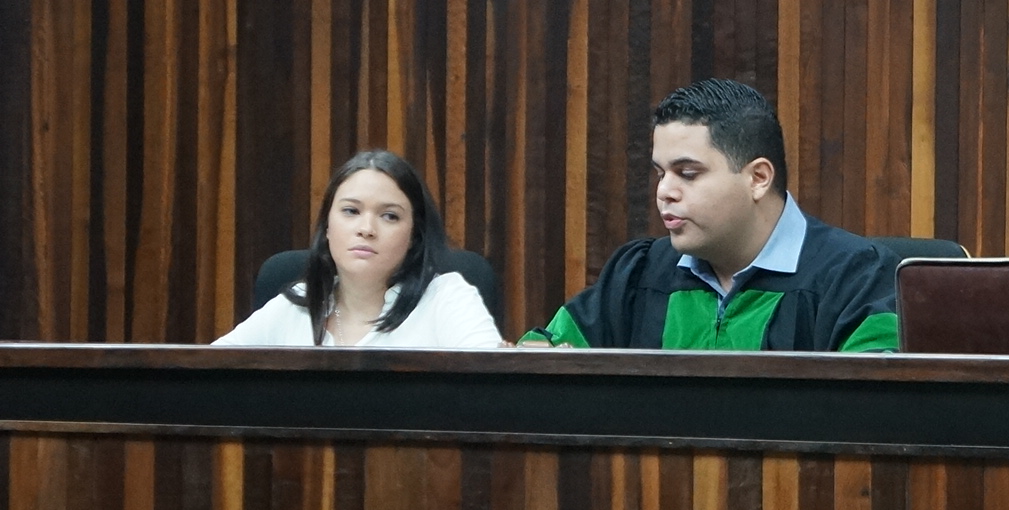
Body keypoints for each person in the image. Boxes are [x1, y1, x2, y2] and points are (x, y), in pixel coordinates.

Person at [522, 78, 899, 351]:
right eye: (660, 173)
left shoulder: (856, 280)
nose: (664, 191)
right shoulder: (638, 276)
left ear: (758, 178)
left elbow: (878, 405)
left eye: (687, 173)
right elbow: (542, 355)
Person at [218, 150, 503, 348]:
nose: (366, 229)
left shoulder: (446, 298)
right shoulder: (295, 304)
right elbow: (211, 376)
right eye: (351, 211)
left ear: (414, 236)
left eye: (389, 216)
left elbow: (491, 389)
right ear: (327, 227)